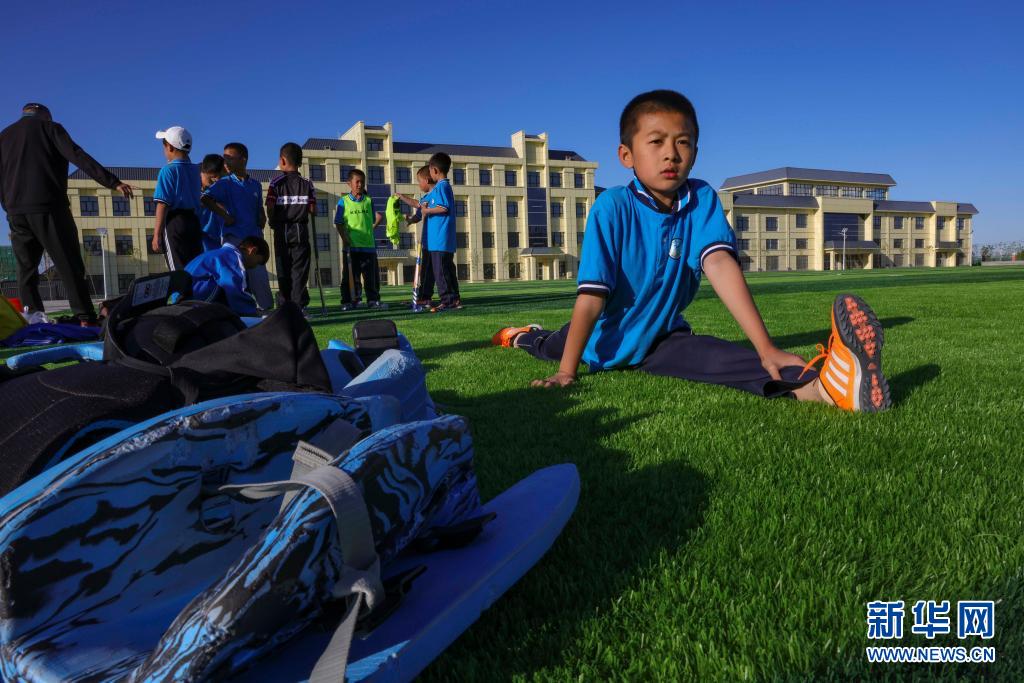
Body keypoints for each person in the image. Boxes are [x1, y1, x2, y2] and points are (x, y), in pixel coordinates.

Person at [492, 89, 891, 412]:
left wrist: (766, 346)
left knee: (718, 357)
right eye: (656, 142)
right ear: (626, 155)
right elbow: (592, 297)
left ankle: (823, 388)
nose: (671, 153)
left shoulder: (701, 199)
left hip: (661, 339)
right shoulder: (611, 207)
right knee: (548, 346)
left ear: (696, 152)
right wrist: (567, 372)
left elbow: (719, 263)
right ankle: (522, 335)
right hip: (601, 338)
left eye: (683, 142)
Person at [0, 103, 133, 325]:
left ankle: (32, 318)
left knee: (26, 269)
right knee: (68, 263)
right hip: (49, 207)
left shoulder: (4, 136)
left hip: (16, 212)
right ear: (45, 115)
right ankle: (84, 317)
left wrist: (7, 205)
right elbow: (78, 156)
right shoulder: (50, 128)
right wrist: (112, 182)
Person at [201, 142, 274, 312]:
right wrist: (225, 215)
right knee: (234, 277)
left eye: (230, 158)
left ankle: (266, 311)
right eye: (224, 157)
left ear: (243, 159)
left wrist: (262, 216)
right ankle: (236, 311)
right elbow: (205, 198)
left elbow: (259, 207)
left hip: (253, 240)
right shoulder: (225, 183)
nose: (225, 162)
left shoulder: (255, 185)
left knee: (259, 276)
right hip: (233, 240)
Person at [265, 142, 316, 312]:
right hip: (301, 230)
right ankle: (299, 306)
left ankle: (285, 305)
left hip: (281, 230)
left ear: (282, 160)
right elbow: (312, 209)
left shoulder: (276, 183)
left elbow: (270, 206)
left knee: (283, 268)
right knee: (299, 270)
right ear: (300, 162)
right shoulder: (307, 183)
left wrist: (272, 220)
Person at [150, 126, 202, 270]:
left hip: (175, 222)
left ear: (170, 148)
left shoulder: (168, 170)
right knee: (195, 266)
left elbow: (162, 204)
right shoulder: (195, 170)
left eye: (164, 147)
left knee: (178, 269)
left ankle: (181, 286)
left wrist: (156, 235)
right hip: (194, 221)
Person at [333, 168, 383, 310]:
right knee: (350, 277)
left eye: (362, 182)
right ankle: (350, 301)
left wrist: (368, 232)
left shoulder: (369, 201)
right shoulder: (343, 202)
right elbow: (338, 223)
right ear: (349, 183)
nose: (360, 185)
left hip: (369, 247)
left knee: (371, 277)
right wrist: (345, 239)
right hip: (351, 247)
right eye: (357, 182)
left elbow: (373, 220)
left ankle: (373, 300)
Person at [184, 236, 270, 317]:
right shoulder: (233, 259)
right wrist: (252, 311)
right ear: (253, 251)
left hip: (184, 299)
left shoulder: (219, 253)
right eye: (257, 262)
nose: (254, 267)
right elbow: (234, 290)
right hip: (195, 303)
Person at [419, 152, 462, 312]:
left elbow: (443, 208)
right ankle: (454, 299)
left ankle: (448, 300)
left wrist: (427, 211)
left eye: (430, 170)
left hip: (440, 239)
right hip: (440, 240)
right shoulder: (442, 187)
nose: (430, 174)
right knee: (447, 270)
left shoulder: (442, 186)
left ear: (435, 170)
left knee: (441, 272)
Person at [396, 166, 436, 309]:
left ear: (427, 180)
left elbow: (417, 205)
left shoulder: (435, 195)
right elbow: (418, 211)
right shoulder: (426, 198)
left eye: (419, 181)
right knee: (425, 270)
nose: (418, 185)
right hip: (426, 242)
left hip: (434, 241)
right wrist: (411, 219)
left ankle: (426, 297)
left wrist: (402, 197)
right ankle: (423, 296)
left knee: (429, 271)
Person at [198, 154, 225, 251]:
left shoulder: (219, 187)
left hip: (217, 235)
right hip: (200, 235)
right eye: (212, 177)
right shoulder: (191, 186)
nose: (216, 180)